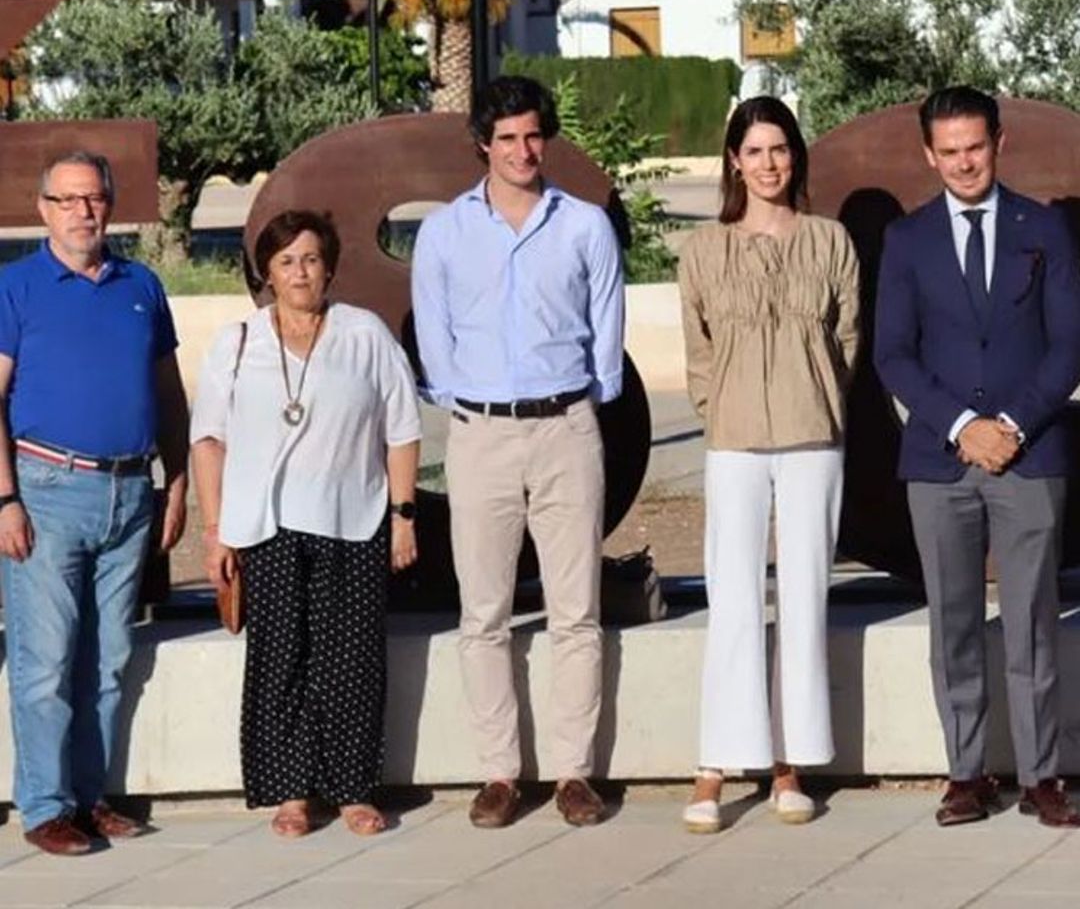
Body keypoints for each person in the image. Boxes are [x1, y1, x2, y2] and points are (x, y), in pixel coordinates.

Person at [411, 75, 624, 829]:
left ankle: (572, 773)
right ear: (483, 145)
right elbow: (433, 337)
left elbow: (607, 334)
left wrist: (573, 403)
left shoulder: (585, 226)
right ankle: (499, 772)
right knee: (485, 613)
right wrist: (464, 397)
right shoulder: (443, 233)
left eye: (534, 136)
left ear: (547, 138)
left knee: (575, 610)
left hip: (566, 426)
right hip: (480, 434)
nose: (523, 151)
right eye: (507, 139)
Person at [874, 86, 1080, 828]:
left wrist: (1014, 424)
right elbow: (892, 353)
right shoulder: (908, 239)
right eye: (949, 151)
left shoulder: (1045, 229)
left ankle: (1041, 777)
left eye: (975, 146)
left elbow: (1068, 345)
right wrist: (964, 425)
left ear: (999, 142)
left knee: (1032, 622)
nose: (964, 163)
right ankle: (966, 774)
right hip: (939, 461)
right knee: (954, 622)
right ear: (929, 154)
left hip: (1031, 455)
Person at [191, 210, 420, 838]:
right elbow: (208, 440)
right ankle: (291, 794)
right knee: (280, 660)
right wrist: (215, 533)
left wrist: (403, 517)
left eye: (312, 259)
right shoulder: (238, 341)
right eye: (287, 260)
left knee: (352, 661)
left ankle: (351, 790)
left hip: (353, 518)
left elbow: (401, 430)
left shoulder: (364, 333)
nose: (300, 272)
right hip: (265, 528)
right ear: (267, 270)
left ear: (330, 268)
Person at [677, 97, 859, 832]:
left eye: (779, 149)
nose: (768, 164)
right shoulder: (702, 250)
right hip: (735, 440)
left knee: (808, 594)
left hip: (814, 435)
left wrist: (816, 398)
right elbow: (697, 352)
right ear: (733, 161)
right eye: (753, 151)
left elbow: (846, 338)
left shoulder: (830, 241)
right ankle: (718, 760)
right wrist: (719, 407)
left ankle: (793, 761)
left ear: (795, 156)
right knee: (734, 596)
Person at [0, 152, 188, 855]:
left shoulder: (141, 284)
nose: (83, 211)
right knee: (45, 660)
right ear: (43, 207)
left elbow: (168, 393)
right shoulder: (15, 288)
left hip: (130, 492)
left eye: (95, 199)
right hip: (45, 489)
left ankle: (90, 796)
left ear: (110, 205)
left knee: (109, 659)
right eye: (68, 199)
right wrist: (4, 499)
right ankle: (46, 806)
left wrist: (176, 483)